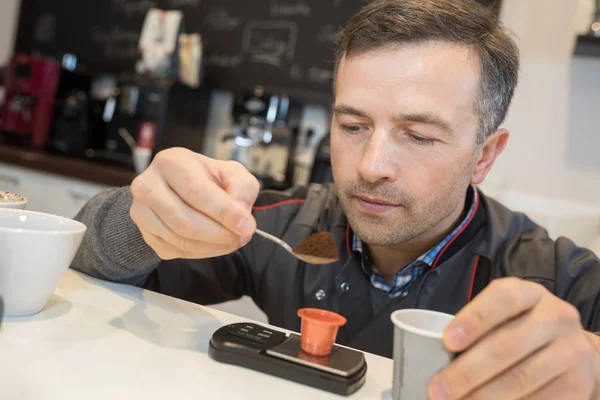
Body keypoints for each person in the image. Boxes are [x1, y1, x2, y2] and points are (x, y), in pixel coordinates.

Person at [72, 0, 600, 398]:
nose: (371, 166)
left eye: (418, 136)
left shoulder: (554, 277)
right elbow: (84, 265)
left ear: (484, 155)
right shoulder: (285, 226)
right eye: (352, 125)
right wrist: (141, 220)